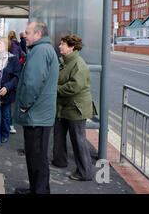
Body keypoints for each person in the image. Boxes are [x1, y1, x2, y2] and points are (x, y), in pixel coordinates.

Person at [13, 21, 59, 194]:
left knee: (37, 158)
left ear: (38, 34)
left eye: (28, 32)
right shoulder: (44, 49)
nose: (25, 35)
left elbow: (32, 82)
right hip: (40, 114)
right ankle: (36, 189)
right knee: (36, 158)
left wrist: (24, 105)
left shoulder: (40, 51)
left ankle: (39, 191)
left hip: (36, 115)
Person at [52, 34, 97, 181]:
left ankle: (85, 172)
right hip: (64, 106)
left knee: (78, 140)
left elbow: (74, 87)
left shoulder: (78, 64)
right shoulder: (65, 62)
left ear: (71, 47)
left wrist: (54, 89)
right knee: (59, 135)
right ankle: (60, 160)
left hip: (76, 107)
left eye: (62, 44)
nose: (59, 46)